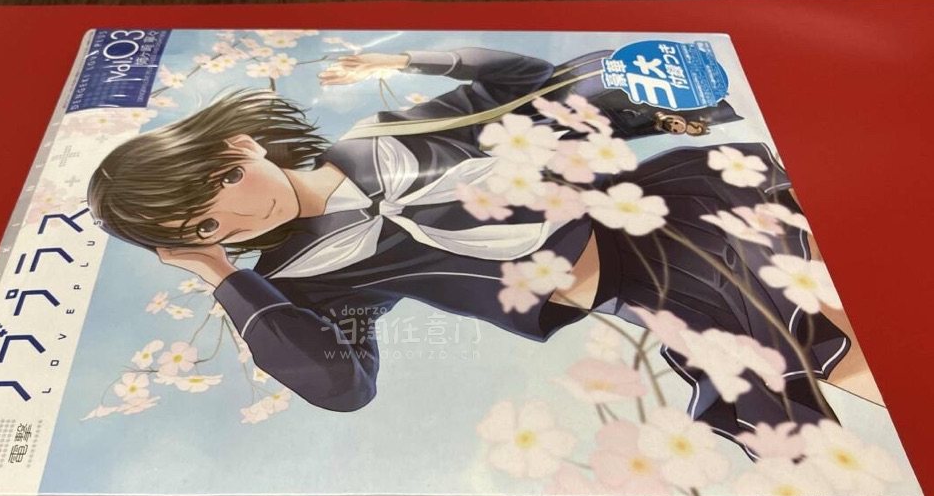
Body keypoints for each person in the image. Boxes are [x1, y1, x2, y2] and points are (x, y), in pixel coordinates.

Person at [87, 46, 873, 441]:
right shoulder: (299, 279)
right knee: (786, 408)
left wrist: (418, 57)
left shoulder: (382, 133)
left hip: (670, 214)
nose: (232, 218)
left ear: (242, 146)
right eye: (200, 228)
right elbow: (341, 386)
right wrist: (222, 275)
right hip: (645, 295)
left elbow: (525, 90)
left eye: (221, 185)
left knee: (826, 341)